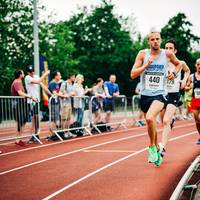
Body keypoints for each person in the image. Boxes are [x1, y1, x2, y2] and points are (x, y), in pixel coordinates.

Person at [130, 31, 182, 166]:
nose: (155, 41)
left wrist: (174, 74)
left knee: (149, 118)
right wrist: (146, 65)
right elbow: (132, 74)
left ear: (161, 40)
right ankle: (157, 149)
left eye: (157, 39)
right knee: (150, 123)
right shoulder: (142, 54)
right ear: (148, 41)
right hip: (145, 94)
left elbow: (179, 64)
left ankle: (152, 147)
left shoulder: (167, 54)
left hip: (160, 94)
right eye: (152, 39)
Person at [160, 39, 190, 157]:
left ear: (175, 51)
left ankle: (162, 147)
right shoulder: (161, 63)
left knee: (166, 121)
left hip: (173, 94)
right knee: (164, 121)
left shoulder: (180, 63)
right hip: (162, 95)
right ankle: (171, 121)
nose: (167, 50)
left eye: (170, 48)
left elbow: (187, 71)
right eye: (166, 48)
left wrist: (184, 80)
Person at [25, 65, 51, 143]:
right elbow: (38, 82)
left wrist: (50, 94)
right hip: (31, 101)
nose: (32, 73)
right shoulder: (27, 78)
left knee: (35, 119)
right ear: (28, 72)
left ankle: (34, 136)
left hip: (36, 101)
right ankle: (34, 135)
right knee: (35, 118)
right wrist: (45, 74)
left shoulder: (36, 76)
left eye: (33, 71)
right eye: (30, 72)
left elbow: (43, 86)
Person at [11, 69, 37, 146]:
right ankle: (17, 139)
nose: (24, 74)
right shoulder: (17, 82)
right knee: (20, 122)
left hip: (22, 104)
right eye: (22, 73)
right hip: (19, 104)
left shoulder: (19, 82)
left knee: (22, 121)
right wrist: (30, 96)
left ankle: (19, 139)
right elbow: (20, 93)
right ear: (20, 75)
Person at [186, 58, 200, 144]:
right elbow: (185, 87)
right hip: (195, 100)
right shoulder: (191, 76)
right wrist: (190, 86)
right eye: (198, 64)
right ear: (195, 65)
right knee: (197, 121)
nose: (199, 66)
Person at [48, 71, 62, 136]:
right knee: (53, 118)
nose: (60, 76)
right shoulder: (52, 83)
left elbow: (57, 92)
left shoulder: (56, 83)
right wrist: (62, 95)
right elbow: (54, 93)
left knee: (57, 117)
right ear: (55, 76)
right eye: (59, 75)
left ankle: (56, 133)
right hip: (53, 103)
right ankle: (53, 134)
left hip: (56, 102)